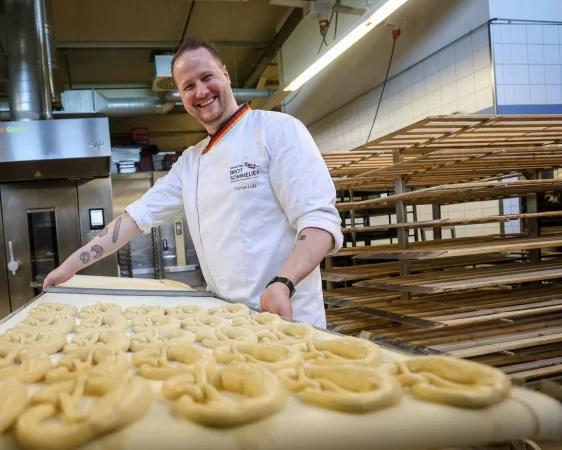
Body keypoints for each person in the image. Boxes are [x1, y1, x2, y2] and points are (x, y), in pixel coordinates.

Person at [43, 37, 343, 328]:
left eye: (206, 77)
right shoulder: (190, 162)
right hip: (229, 323)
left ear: (225, 74)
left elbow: (319, 222)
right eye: (188, 86)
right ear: (181, 97)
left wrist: (282, 283)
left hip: (287, 317)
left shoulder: (277, 130)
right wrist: (70, 266)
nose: (200, 91)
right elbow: (134, 219)